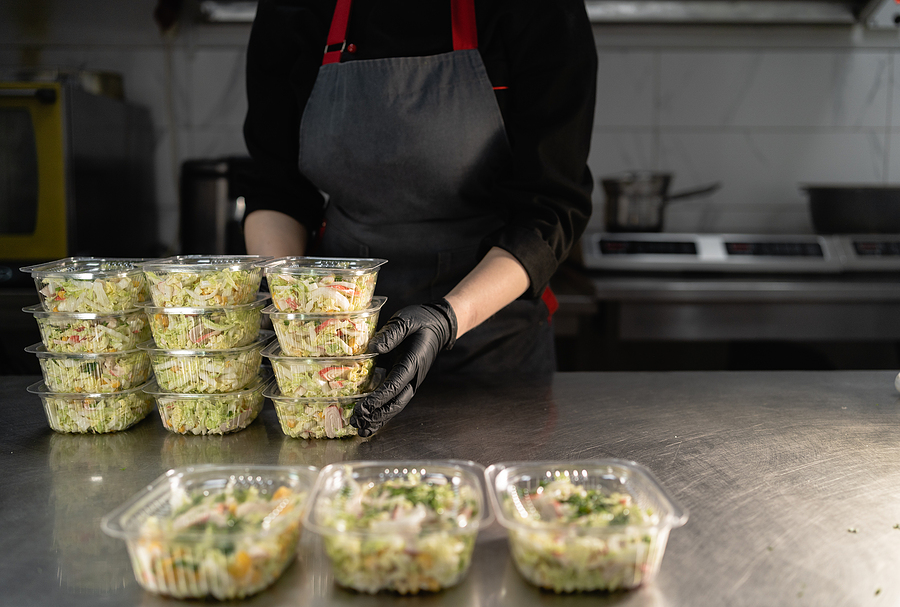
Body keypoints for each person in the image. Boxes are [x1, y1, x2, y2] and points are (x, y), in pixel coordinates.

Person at [242, 0, 597, 436]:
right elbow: (277, 189)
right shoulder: (293, 10)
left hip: (491, 349)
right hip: (331, 349)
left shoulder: (539, 11)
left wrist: (449, 318)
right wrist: (290, 303)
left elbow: (550, 208)